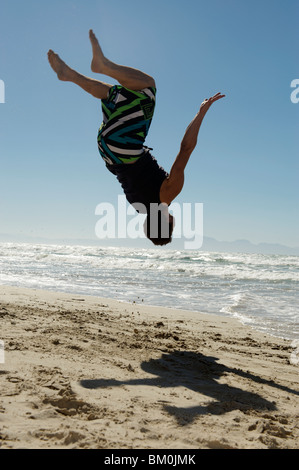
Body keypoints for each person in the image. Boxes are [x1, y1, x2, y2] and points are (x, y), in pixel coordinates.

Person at [48, 30, 225, 246]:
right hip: (107, 151)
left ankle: (103, 66)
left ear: (170, 222)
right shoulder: (137, 206)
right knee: (117, 95)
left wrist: (201, 113)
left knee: (148, 87)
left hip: (126, 146)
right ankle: (69, 75)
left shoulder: (168, 194)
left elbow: (186, 148)